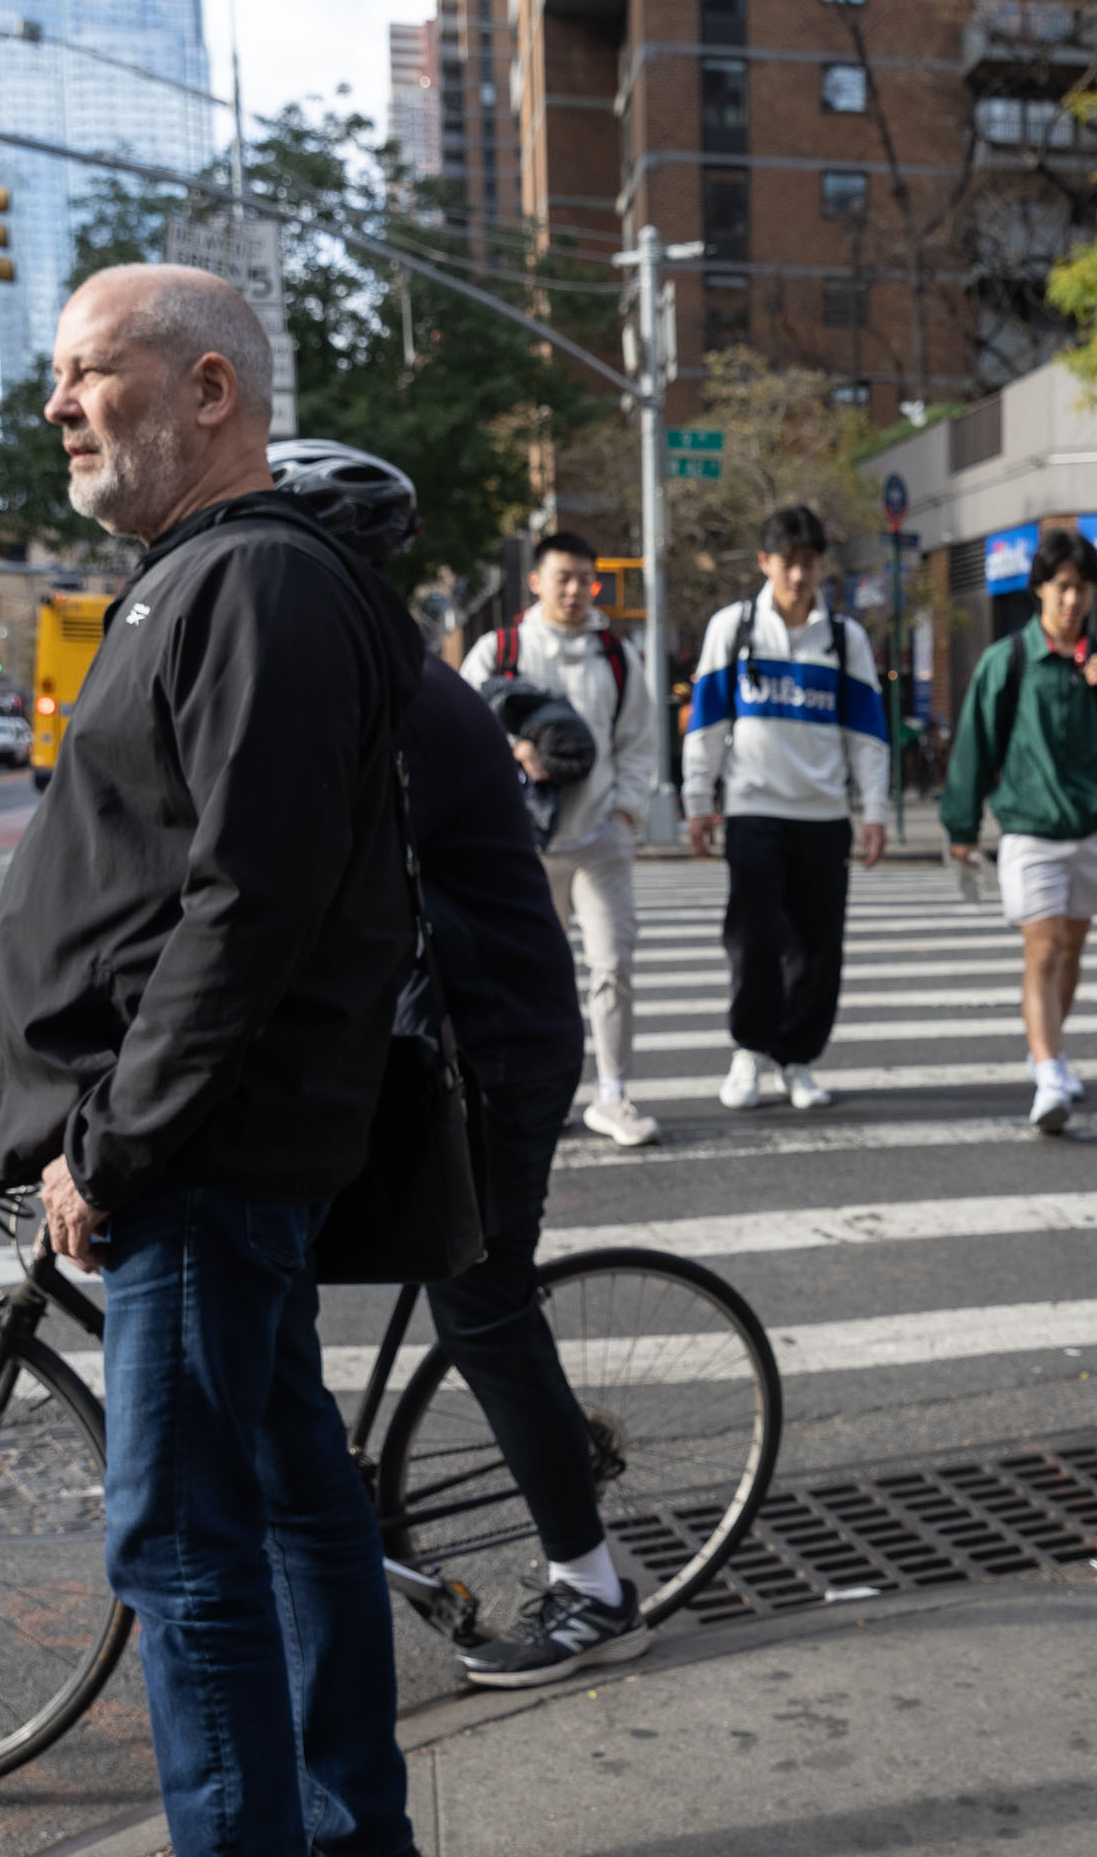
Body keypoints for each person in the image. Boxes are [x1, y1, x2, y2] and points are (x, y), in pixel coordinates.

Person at [0, 265, 427, 1857]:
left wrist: (122, 1136)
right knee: (287, 1490)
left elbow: (242, 899)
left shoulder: (249, 577)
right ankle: (345, 1835)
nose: (64, 409)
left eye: (91, 376)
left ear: (212, 387)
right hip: (212, 1149)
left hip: (199, 1159)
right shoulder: (217, 575)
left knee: (182, 1542)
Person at [273, 441, 654, 1687]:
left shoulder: (389, 692)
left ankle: (590, 1584)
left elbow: (311, 891)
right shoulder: (373, 673)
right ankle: (350, 1510)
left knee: (480, 1303)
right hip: (437, 1032)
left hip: (489, 1046)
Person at [942, 523, 1097, 1133]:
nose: (1073, 601)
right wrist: (960, 827)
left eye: (1083, 589)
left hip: (1093, 830)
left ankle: (1047, 1051)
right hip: (1030, 833)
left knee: (1072, 949)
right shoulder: (1007, 662)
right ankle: (1048, 1073)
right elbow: (974, 746)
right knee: (1042, 948)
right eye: (1063, 587)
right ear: (1040, 589)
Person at [682, 504, 890, 1112]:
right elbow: (708, 721)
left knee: (819, 948)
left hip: (824, 816)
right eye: (787, 563)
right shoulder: (734, 626)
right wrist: (698, 799)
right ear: (765, 562)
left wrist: (873, 811)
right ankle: (749, 1050)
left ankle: (796, 1058)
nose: (798, 576)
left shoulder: (843, 637)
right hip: (753, 809)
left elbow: (867, 733)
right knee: (752, 941)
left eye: (809, 564)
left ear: (821, 566)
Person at [461, 529, 665, 1149]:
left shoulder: (617, 654)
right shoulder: (501, 650)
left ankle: (612, 1095)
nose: (575, 590)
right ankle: (534, 1096)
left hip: (600, 840)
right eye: (563, 578)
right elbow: (458, 728)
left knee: (613, 967)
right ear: (537, 581)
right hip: (521, 846)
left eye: (585, 578)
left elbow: (638, 740)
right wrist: (514, 754)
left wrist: (627, 813)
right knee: (527, 976)